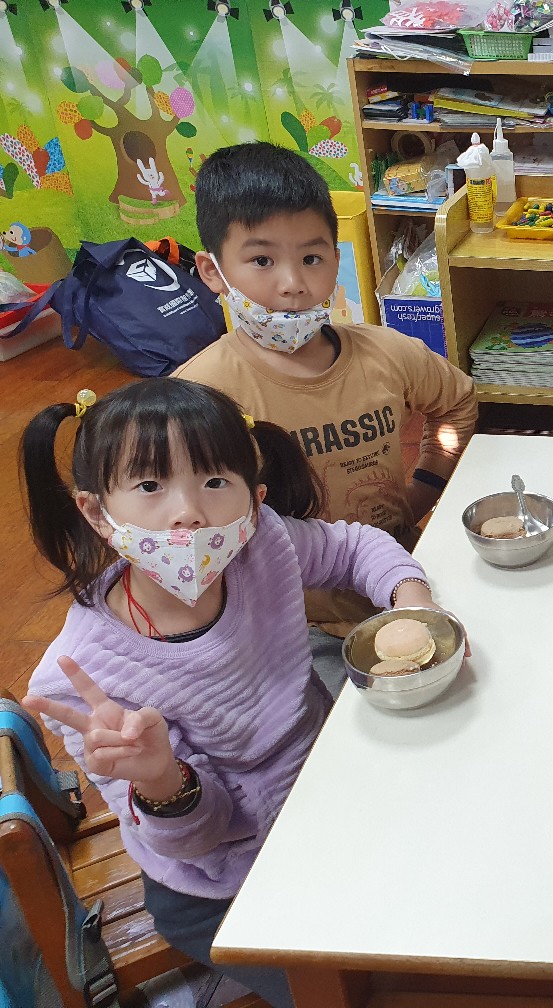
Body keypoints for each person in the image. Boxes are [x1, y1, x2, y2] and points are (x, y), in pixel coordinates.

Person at [21, 379, 455, 1008]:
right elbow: (197, 839)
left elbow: (351, 548)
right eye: (150, 485)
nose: (188, 512)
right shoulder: (83, 677)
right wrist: (161, 781)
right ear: (95, 511)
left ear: (254, 500)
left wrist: (412, 601)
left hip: (329, 788)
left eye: (214, 481)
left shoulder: (259, 544)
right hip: (222, 883)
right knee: (364, 991)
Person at [175, 141, 477, 690]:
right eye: (262, 260)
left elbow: (456, 403)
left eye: (312, 258)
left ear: (336, 260)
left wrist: (424, 490)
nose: (293, 282)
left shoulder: (388, 353)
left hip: (408, 579)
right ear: (213, 271)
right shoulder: (200, 396)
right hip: (297, 627)